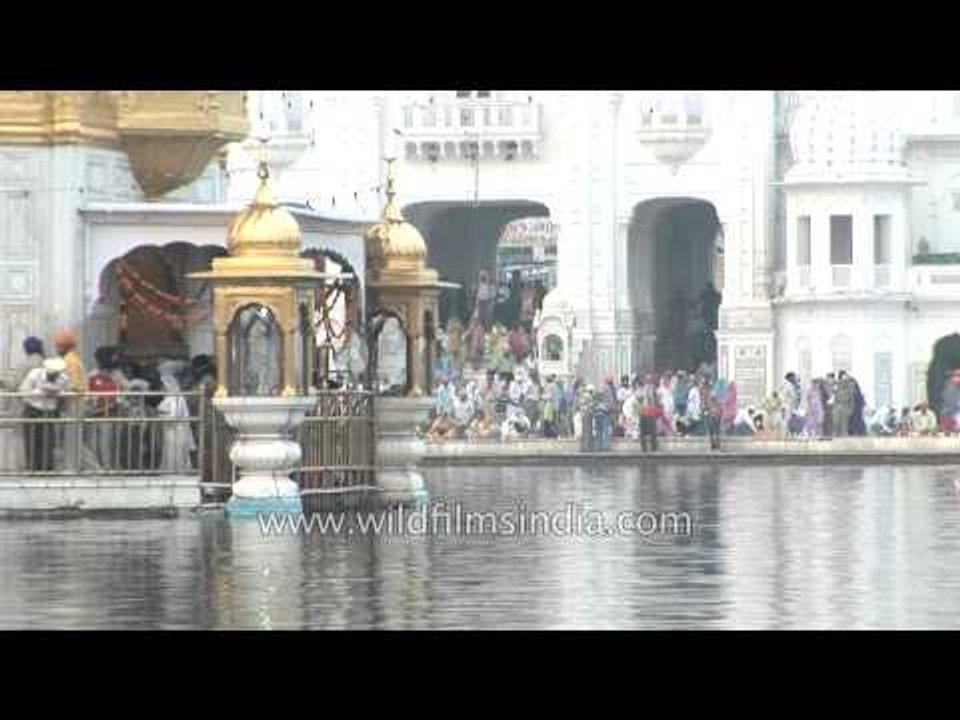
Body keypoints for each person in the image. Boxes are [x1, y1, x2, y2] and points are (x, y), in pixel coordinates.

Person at [19, 357, 69, 471]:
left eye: (56, 375)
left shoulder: (63, 379)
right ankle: (32, 468)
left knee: (48, 441)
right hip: (33, 409)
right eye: (52, 375)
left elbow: (65, 396)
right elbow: (23, 391)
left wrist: (59, 395)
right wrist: (39, 393)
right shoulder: (34, 374)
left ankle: (47, 468)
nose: (54, 377)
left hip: (50, 412)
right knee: (32, 440)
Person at [157, 372, 196, 472]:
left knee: (175, 453)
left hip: (176, 431)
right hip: (169, 430)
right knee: (169, 452)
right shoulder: (168, 398)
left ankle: (176, 472)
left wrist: (162, 414)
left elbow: (174, 416)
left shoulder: (176, 398)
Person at [638, 374, 660, 453]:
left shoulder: (652, 389)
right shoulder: (642, 389)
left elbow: (656, 400)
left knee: (652, 432)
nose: (648, 382)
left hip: (650, 412)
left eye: (649, 380)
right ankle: (645, 449)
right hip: (644, 412)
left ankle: (653, 448)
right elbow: (639, 399)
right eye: (647, 380)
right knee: (644, 432)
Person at [833, 370, 855, 438]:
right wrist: (834, 408)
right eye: (843, 376)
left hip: (845, 407)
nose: (845, 377)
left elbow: (852, 399)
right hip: (838, 407)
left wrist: (851, 409)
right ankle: (837, 438)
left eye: (845, 376)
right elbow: (834, 397)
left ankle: (844, 441)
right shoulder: (836, 385)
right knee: (836, 423)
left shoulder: (850, 385)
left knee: (844, 426)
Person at [703, 378, 723, 450]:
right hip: (714, 415)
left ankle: (715, 446)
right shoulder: (710, 394)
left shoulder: (710, 394)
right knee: (714, 432)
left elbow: (708, 406)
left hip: (714, 416)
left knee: (714, 431)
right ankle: (715, 445)